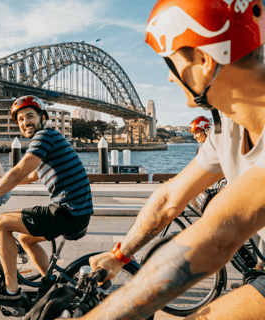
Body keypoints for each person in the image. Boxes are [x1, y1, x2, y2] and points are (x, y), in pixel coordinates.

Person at [82, 1, 265, 319]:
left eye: (170, 63)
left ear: (205, 61)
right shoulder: (228, 127)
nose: (169, 79)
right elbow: (169, 198)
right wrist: (119, 255)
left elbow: (217, 235)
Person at [0, 95, 93, 306]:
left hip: (67, 211)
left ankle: (10, 290)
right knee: (25, 239)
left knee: (2, 223)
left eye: (30, 116)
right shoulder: (50, 138)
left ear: (42, 117)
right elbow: (31, 176)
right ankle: (51, 283)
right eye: (20, 119)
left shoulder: (44, 137)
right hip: (77, 212)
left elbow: (18, 172)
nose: (25, 122)